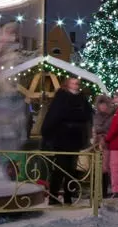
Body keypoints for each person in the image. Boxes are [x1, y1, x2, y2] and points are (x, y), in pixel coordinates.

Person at [39, 77, 92, 206]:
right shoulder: (61, 97)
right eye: (73, 83)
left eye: (77, 83)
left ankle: (69, 196)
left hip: (75, 138)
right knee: (60, 168)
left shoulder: (82, 99)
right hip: (62, 138)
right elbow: (54, 116)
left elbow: (87, 116)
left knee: (71, 169)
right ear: (67, 84)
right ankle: (53, 196)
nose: (76, 85)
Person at [92, 95, 113, 198]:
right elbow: (95, 129)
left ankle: (103, 191)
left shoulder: (111, 117)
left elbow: (110, 130)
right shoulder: (95, 117)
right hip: (97, 144)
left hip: (107, 144)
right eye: (101, 104)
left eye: (105, 104)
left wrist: (103, 135)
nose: (103, 107)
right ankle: (97, 190)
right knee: (97, 167)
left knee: (104, 167)